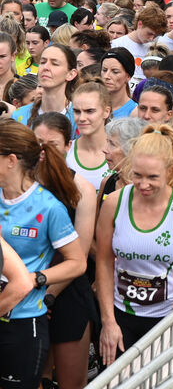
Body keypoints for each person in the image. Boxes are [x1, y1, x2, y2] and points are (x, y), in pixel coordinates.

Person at [95, 124, 173, 364]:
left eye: (153, 177)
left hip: (165, 317)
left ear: (171, 170)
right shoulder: (114, 203)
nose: (143, 184)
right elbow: (103, 262)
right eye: (137, 175)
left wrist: (172, 325)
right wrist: (108, 322)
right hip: (120, 315)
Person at [0, 120, 86, 388]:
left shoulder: (48, 206)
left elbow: (77, 262)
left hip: (24, 322)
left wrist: (37, 278)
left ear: (11, 160)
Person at [30, 113, 99, 389]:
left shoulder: (81, 189)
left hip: (66, 293)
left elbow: (79, 257)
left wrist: (47, 296)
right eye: (37, 143)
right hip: (24, 291)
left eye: (53, 145)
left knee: (71, 382)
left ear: (69, 145)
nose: (44, 151)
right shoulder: (15, 184)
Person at [12, 43, 79, 133]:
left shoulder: (79, 117)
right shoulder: (19, 116)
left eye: (55, 64)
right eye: (42, 62)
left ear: (71, 74)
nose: (46, 67)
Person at [66, 81, 112, 191]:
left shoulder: (122, 153)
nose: (81, 118)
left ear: (106, 112)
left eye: (89, 111)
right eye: (77, 111)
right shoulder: (66, 152)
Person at [110, 6, 168, 83]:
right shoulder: (116, 44)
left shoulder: (156, 49)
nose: (151, 39)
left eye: (155, 36)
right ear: (140, 24)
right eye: (149, 33)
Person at [100, 49, 138, 118]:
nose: (106, 76)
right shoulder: (91, 106)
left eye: (115, 72)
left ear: (128, 76)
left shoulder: (135, 113)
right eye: (104, 70)